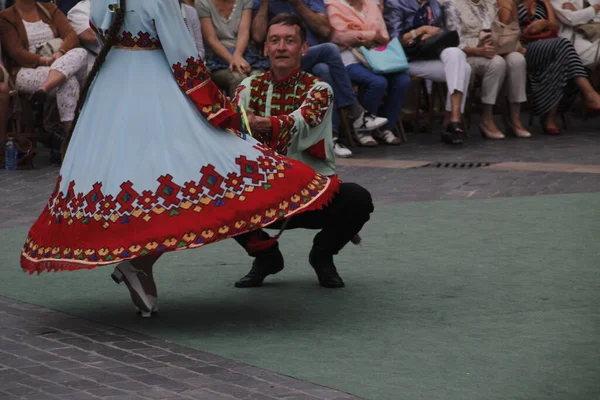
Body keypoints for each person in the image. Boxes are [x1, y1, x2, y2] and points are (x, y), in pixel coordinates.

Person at [20, 0, 341, 317]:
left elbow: (103, 38)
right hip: (156, 89)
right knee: (186, 174)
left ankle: (140, 265)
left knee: (142, 183)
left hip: (110, 94)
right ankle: (139, 264)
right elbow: (183, 54)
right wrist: (214, 106)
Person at [232, 14, 374, 288]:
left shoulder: (320, 90)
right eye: (274, 41)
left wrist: (262, 123)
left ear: (304, 48)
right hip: (262, 197)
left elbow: (301, 122)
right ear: (265, 49)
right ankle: (266, 256)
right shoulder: (247, 86)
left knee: (357, 199)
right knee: (220, 194)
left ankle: (322, 255)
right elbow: (233, 123)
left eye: (289, 41)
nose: (281, 47)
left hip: (310, 196)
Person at [252, 0, 389, 153]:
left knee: (323, 70)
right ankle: (356, 112)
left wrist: (298, 4)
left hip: (311, 57)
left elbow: (325, 30)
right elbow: (258, 36)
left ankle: (332, 137)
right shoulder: (261, 2)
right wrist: (265, 4)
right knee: (330, 49)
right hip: (282, 60)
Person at [384, 0, 472, 145]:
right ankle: (451, 124)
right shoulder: (396, 3)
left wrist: (434, 34)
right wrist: (419, 31)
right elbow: (393, 40)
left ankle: (453, 118)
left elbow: (443, 31)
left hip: (431, 54)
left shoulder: (434, 4)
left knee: (457, 55)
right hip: (407, 60)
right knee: (465, 69)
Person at [326, 0, 411, 146]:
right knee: (378, 82)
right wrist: (372, 34)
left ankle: (385, 127)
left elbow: (384, 36)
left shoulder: (371, 4)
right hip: (349, 59)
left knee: (403, 80)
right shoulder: (334, 5)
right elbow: (339, 36)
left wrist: (361, 34)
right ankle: (363, 129)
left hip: (376, 57)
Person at [444, 0, 531, 138]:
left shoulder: (490, 3)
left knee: (517, 60)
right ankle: (487, 117)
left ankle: (515, 117)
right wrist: (478, 50)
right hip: (469, 54)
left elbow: (499, 29)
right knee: (497, 63)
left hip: (494, 50)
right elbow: (452, 41)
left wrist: (509, 44)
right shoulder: (453, 5)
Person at [0, 0, 87, 134]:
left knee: (81, 52)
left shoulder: (50, 9)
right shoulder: (6, 17)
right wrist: (44, 61)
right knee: (69, 80)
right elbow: (16, 52)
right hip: (25, 70)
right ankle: (72, 137)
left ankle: (45, 88)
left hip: (58, 61)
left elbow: (71, 35)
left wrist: (60, 52)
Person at [512, 0, 600, 133]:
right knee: (563, 45)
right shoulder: (514, 4)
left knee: (560, 54)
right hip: (524, 47)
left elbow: (554, 27)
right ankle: (589, 94)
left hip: (549, 46)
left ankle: (550, 117)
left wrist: (545, 20)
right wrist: (529, 29)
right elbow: (509, 27)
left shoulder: (543, 4)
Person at [195, 0, 269, 96]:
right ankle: (237, 110)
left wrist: (238, 55)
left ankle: (259, 110)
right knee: (238, 78)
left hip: (244, 53)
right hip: (218, 58)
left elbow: (244, 31)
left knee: (257, 77)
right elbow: (212, 39)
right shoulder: (202, 3)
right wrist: (233, 60)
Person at [551, 0, 600, 67]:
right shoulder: (555, 1)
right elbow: (571, 19)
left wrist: (580, 12)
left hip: (594, 31)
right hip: (577, 40)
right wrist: (595, 8)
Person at [67, 0, 100, 73]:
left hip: (125, 57)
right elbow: (92, 35)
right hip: (99, 67)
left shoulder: (117, 4)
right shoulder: (78, 10)